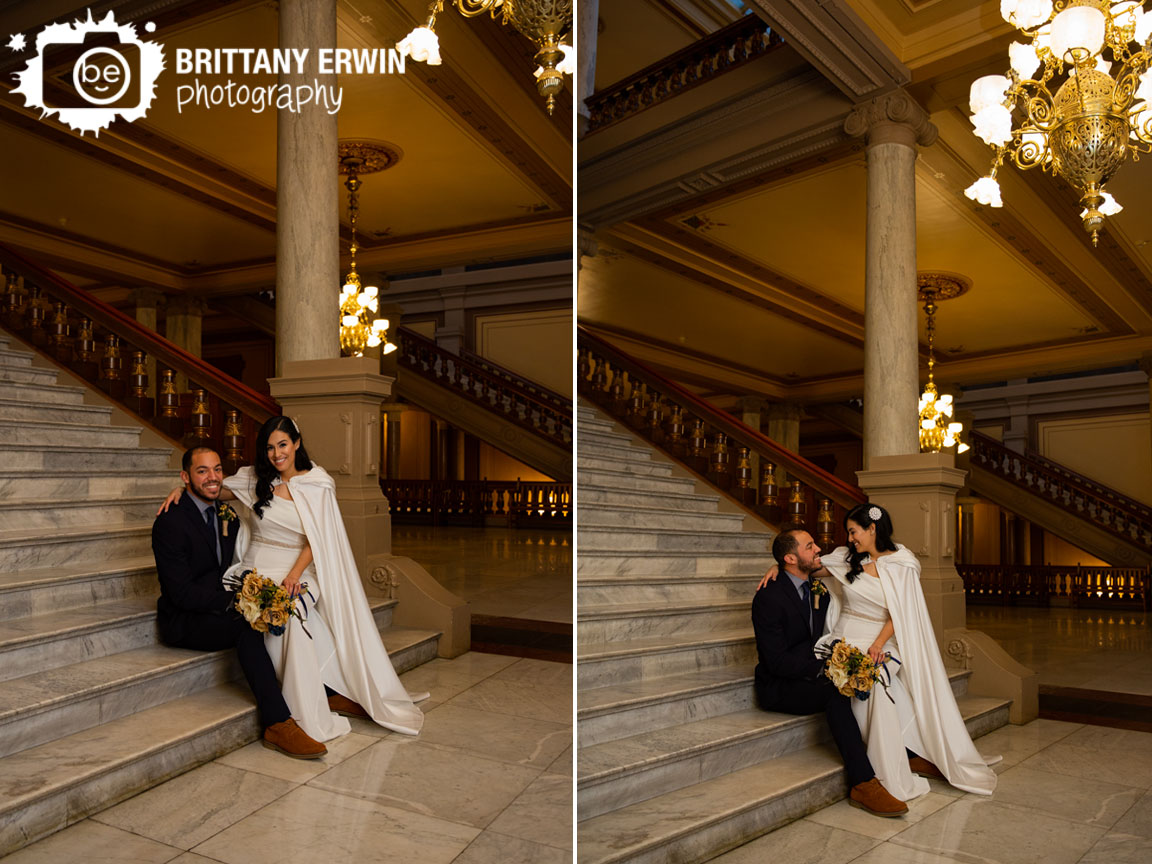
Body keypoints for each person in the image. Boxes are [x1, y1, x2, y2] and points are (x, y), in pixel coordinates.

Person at [159, 417, 425, 744]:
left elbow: (319, 536)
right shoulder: (257, 479)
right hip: (254, 569)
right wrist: (180, 488)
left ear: (296, 443)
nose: (276, 454)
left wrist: (295, 575)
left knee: (295, 613)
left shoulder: (317, 482)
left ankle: (323, 693)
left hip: (295, 567)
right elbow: (216, 489)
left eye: (282, 445)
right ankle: (309, 703)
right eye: (269, 447)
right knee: (281, 619)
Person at [759, 503, 997, 800]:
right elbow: (806, 566)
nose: (849, 538)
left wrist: (878, 644)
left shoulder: (902, 563)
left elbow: (903, 611)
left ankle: (905, 755)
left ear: (872, 529)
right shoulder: (847, 558)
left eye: (853, 531)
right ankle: (901, 757)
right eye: (848, 532)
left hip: (880, 638)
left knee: (881, 680)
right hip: (844, 639)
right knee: (877, 687)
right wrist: (777, 566)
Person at [152, 446, 327, 759]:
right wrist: (238, 601)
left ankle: (323, 689)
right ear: (185, 476)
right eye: (202, 471)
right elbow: (180, 594)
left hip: (217, 601)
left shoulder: (227, 515)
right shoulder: (170, 523)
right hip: (184, 619)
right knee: (246, 625)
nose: (212, 477)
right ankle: (277, 723)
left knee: (289, 608)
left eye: (217, 469)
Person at [753, 528, 909, 817]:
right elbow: (775, 661)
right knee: (835, 690)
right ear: (791, 557)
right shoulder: (769, 598)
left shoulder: (816, 585)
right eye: (810, 546)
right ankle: (862, 783)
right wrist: (828, 668)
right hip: (779, 686)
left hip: (810, 668)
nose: (818, 550)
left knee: (869, 677)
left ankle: (904, 752)